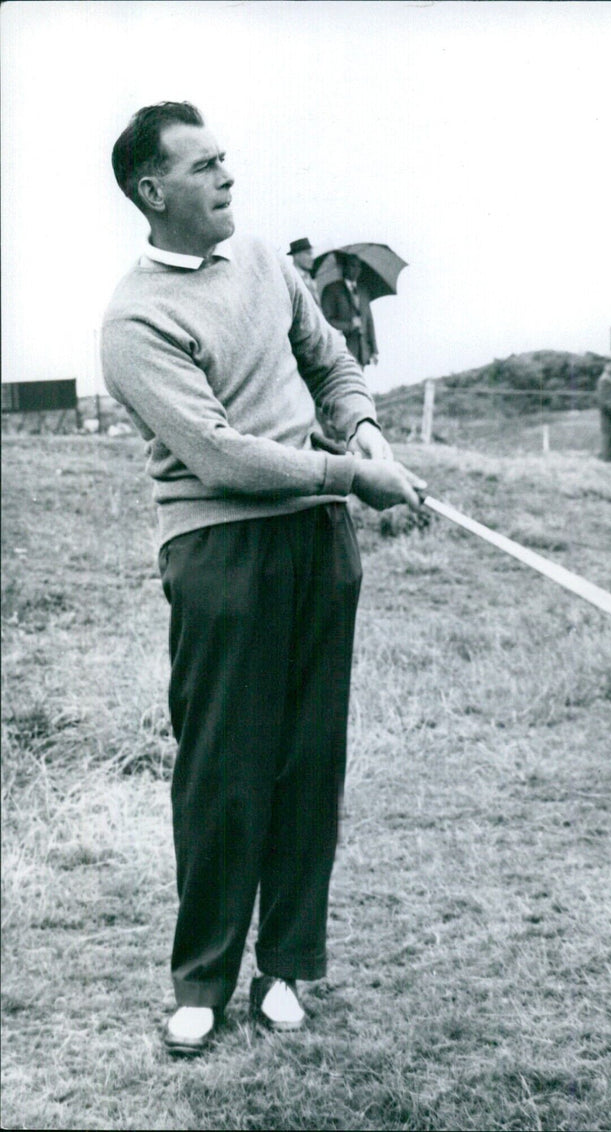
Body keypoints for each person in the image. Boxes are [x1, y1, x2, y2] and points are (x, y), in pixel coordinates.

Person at [102, 102, 425, 1055]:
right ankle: (201, 980)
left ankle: (284, 970)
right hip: (221, 549)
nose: (228, 177)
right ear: (153, 192)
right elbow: (220, 454)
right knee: (222, 772)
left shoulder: (267, 266)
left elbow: (333, 364)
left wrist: (361, 426)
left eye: (226, 159)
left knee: (306, 760)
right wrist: (349, 474)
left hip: (319, 542)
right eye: (204, 167)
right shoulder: (134, 320)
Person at [321, 255, 379, 367]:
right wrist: (349, 325)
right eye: (352, 266)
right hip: (341, 351)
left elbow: (369, 321)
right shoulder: (331, 290)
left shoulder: (363, 291)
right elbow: (326, 322)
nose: (356, 270)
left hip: (362, 352)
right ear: (344, 268)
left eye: (359, 266)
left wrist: (374, 350)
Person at [287, 237, 321, 305]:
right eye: (308, 253)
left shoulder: (310, 276)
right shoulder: (290, 279)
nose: (312, 257)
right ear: (297, 256)